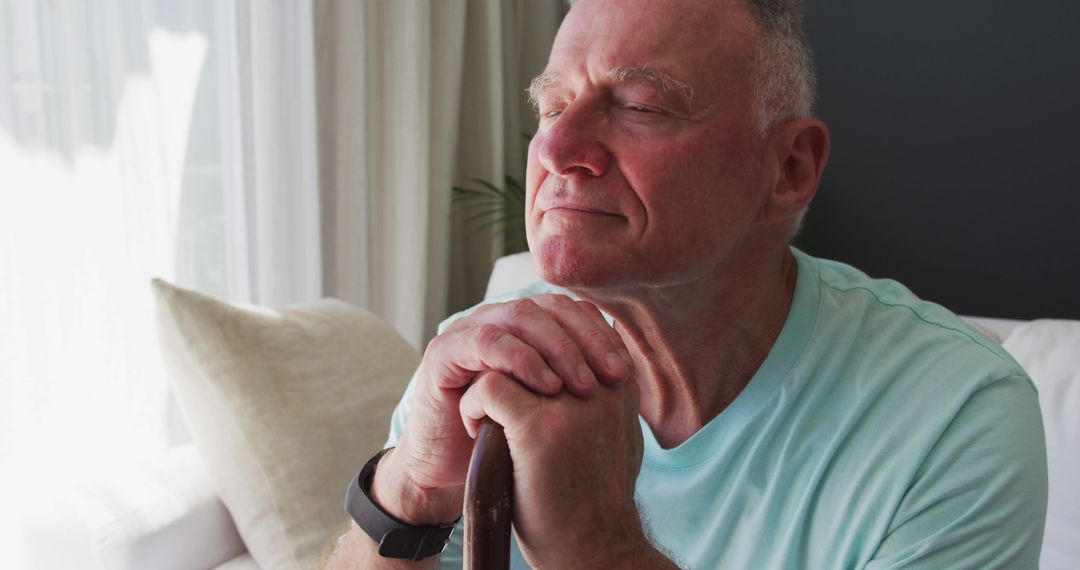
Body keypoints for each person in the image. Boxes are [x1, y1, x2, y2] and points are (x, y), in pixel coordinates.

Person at [324, 0, 1047, 567]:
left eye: (638, 105)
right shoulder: (495, 349)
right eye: (550, 105)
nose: (553, 146)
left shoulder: (953, 414)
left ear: (789, 168)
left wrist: (599, 551)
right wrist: (411, 490)